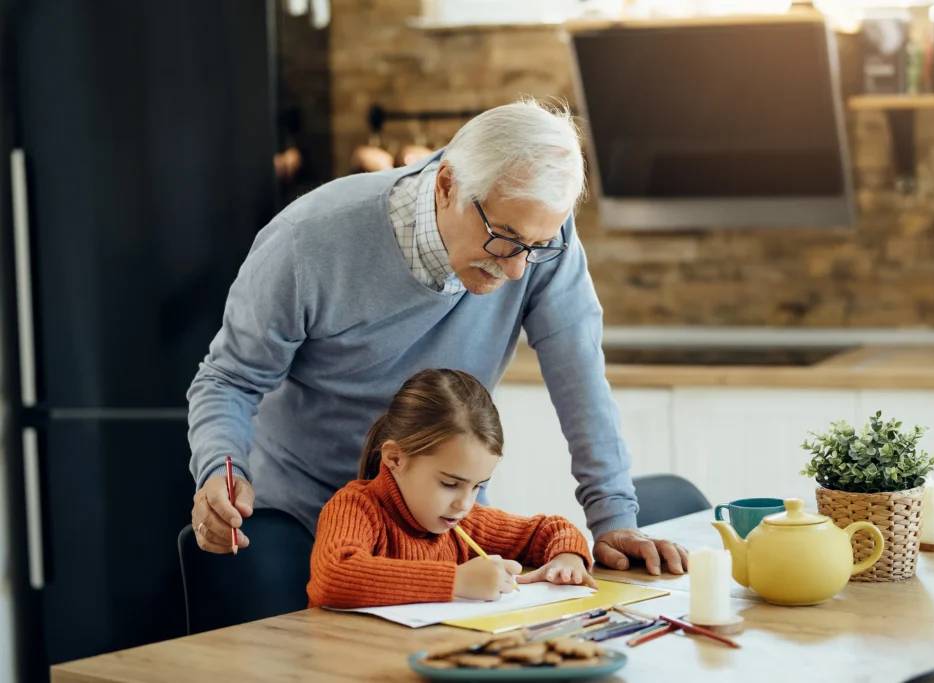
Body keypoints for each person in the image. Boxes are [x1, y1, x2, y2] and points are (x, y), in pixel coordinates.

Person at [187, 98, 689, 594]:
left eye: (537, 247)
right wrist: (220, 471)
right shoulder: (309, 241)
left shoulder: (536, 240)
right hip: (305, 526)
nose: (517, 270)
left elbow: (581, 382)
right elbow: (230, 378)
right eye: (504, 238)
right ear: (448, 185)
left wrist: (613, 519)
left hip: (442, 530)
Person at [307, 368, 597, 609]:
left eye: (477, 487)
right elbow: (333, 577)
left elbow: (551, 530)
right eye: (450, 484)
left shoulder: (464, 523)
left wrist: (567, 559)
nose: (465, 503)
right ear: (395, 458)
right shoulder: (355, 508)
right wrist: (456, 580)